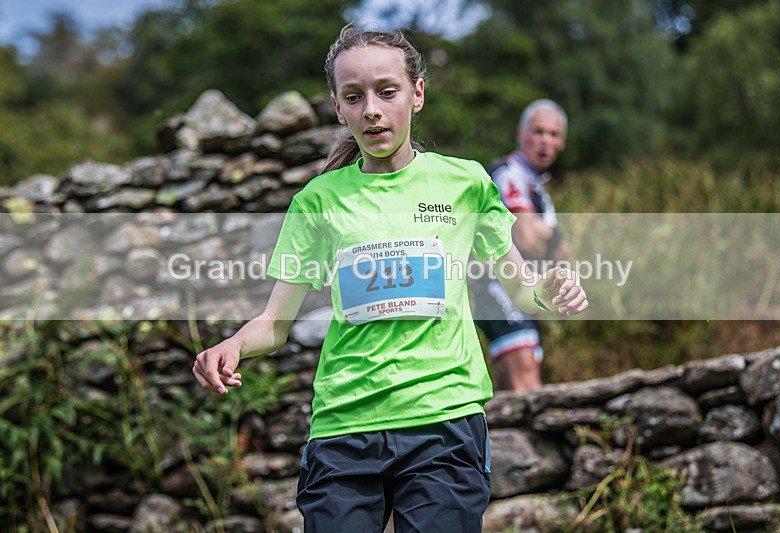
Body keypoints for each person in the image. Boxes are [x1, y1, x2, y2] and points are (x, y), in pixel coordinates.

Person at [192, 25, 588, 533]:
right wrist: (233, 346)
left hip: (444, 423)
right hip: (343, 431)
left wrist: (551, 290)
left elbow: (518, 287)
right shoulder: (317, 202)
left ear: (417, 93)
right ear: (338, 107)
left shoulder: (465, 183)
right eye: (354, 97)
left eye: (387, 91)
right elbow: (274, 322)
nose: (371, 110)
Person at [472, 99, 570, 391]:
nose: (544, 141)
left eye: (553, 134)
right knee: (525, 375)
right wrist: (554, 237)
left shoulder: (537, 187)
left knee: (510, 381)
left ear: (562, 142)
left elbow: (563, 258)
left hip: (520, 286)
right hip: (490, 281)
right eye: (537, 131)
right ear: (521, 134)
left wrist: (551, 241)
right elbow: (528, 239)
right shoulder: (510, 174)